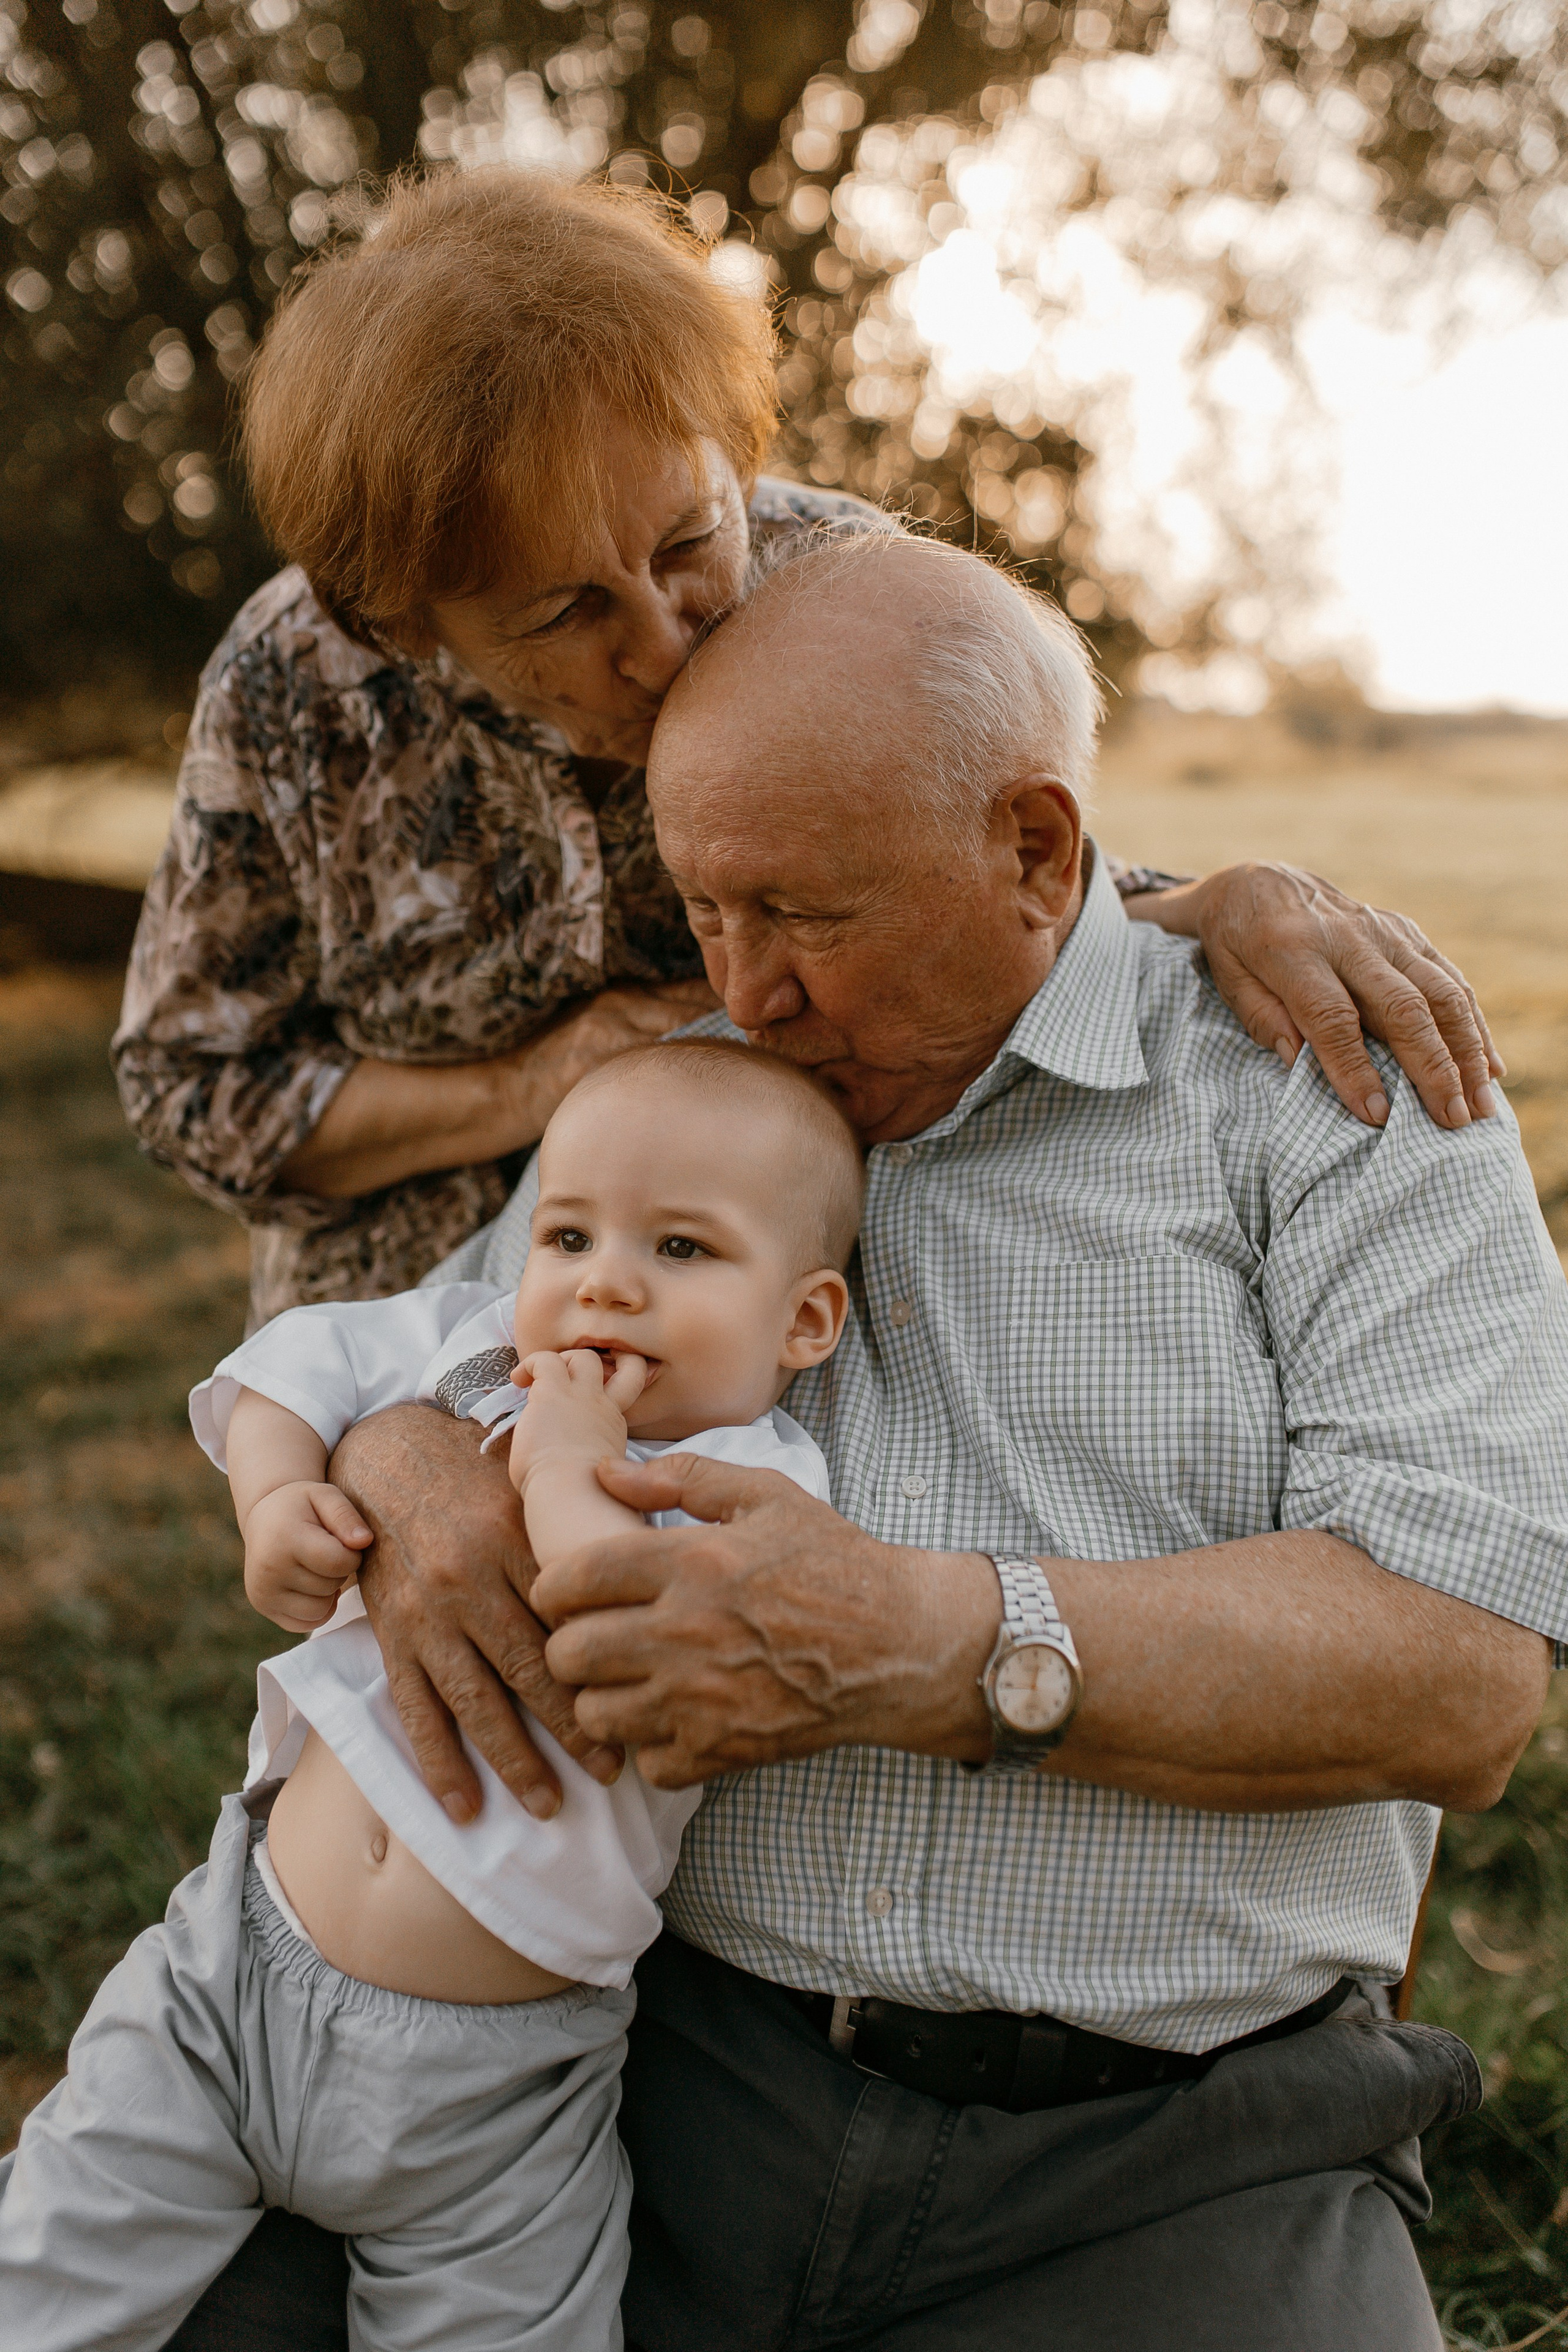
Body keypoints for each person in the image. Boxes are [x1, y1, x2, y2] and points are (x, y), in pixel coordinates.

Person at [178, 526, 1568, 2350]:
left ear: (1036, 850)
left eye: (809, 918)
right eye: (709, 912)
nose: (746, 992)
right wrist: (414, 1465)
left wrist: (926, 1643)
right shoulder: (706, 1088)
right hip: (634, 2078)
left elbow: (1460, 1683)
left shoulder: (1334, 1086)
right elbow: (418, 1350)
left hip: (1172, 2150)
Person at [110, 164, 1501, 1329]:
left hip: (769, 1332)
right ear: (409, 624)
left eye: (686, 542)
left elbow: (992, 883)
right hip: (384, 1357)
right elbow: (192, 1089)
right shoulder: (300, 678)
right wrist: (541, 1081)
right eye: (563, 611)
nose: (664, 644)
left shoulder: (834, 579)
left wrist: (1222, 899)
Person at [0, 1040, 861, 2351]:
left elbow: (614, 1617)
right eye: (566, 1236)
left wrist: (569, 1463)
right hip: (228, 1980)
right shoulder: (468, 1343)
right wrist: (277, 1494)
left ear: (802, 1320)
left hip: (499, 2087)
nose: (604, 1284)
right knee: (45, 2279)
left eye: (681, 1251)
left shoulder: (761, 1484)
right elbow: (295, 1361)